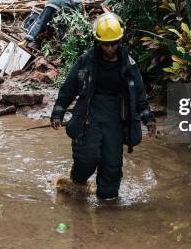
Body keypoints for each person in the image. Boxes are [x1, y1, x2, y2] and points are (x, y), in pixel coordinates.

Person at [50, 12, 157, 200]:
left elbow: (139, 93)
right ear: (98, 42)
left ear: (120, 41)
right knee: (86, 158)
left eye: (114, 43)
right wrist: (58, 112)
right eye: (106, 44)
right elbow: (70, 86)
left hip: (116, 118)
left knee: (112, 165)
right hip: (89, 115)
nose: (110, 47)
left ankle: (108, 205)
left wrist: (148, 118)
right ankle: (77, 186)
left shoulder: (128, 64)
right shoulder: (86, 61)